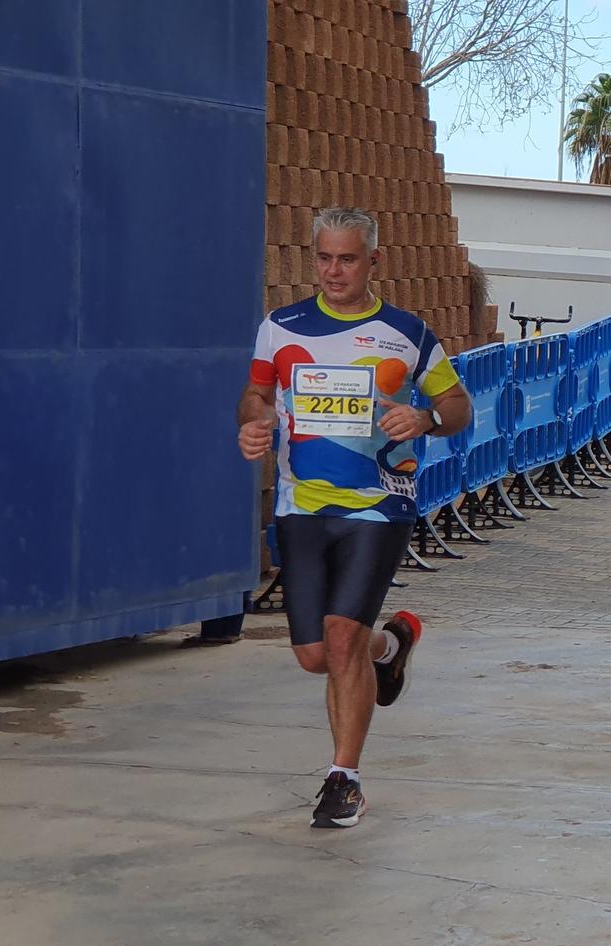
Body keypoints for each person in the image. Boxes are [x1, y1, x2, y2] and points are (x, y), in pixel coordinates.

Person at [237, 207, 470, 828]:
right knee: (317, 654)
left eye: (346, 259)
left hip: (380, 504)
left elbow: (457, 405)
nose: (333, 270)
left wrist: (424, 419)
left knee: (341, 638)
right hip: (301, 503)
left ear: (373, 262)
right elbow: (257, 392)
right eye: (323, 258)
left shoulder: (408, 333)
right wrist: (252, 423)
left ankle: (345, 777)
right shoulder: (280, 328)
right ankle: (389, 645)